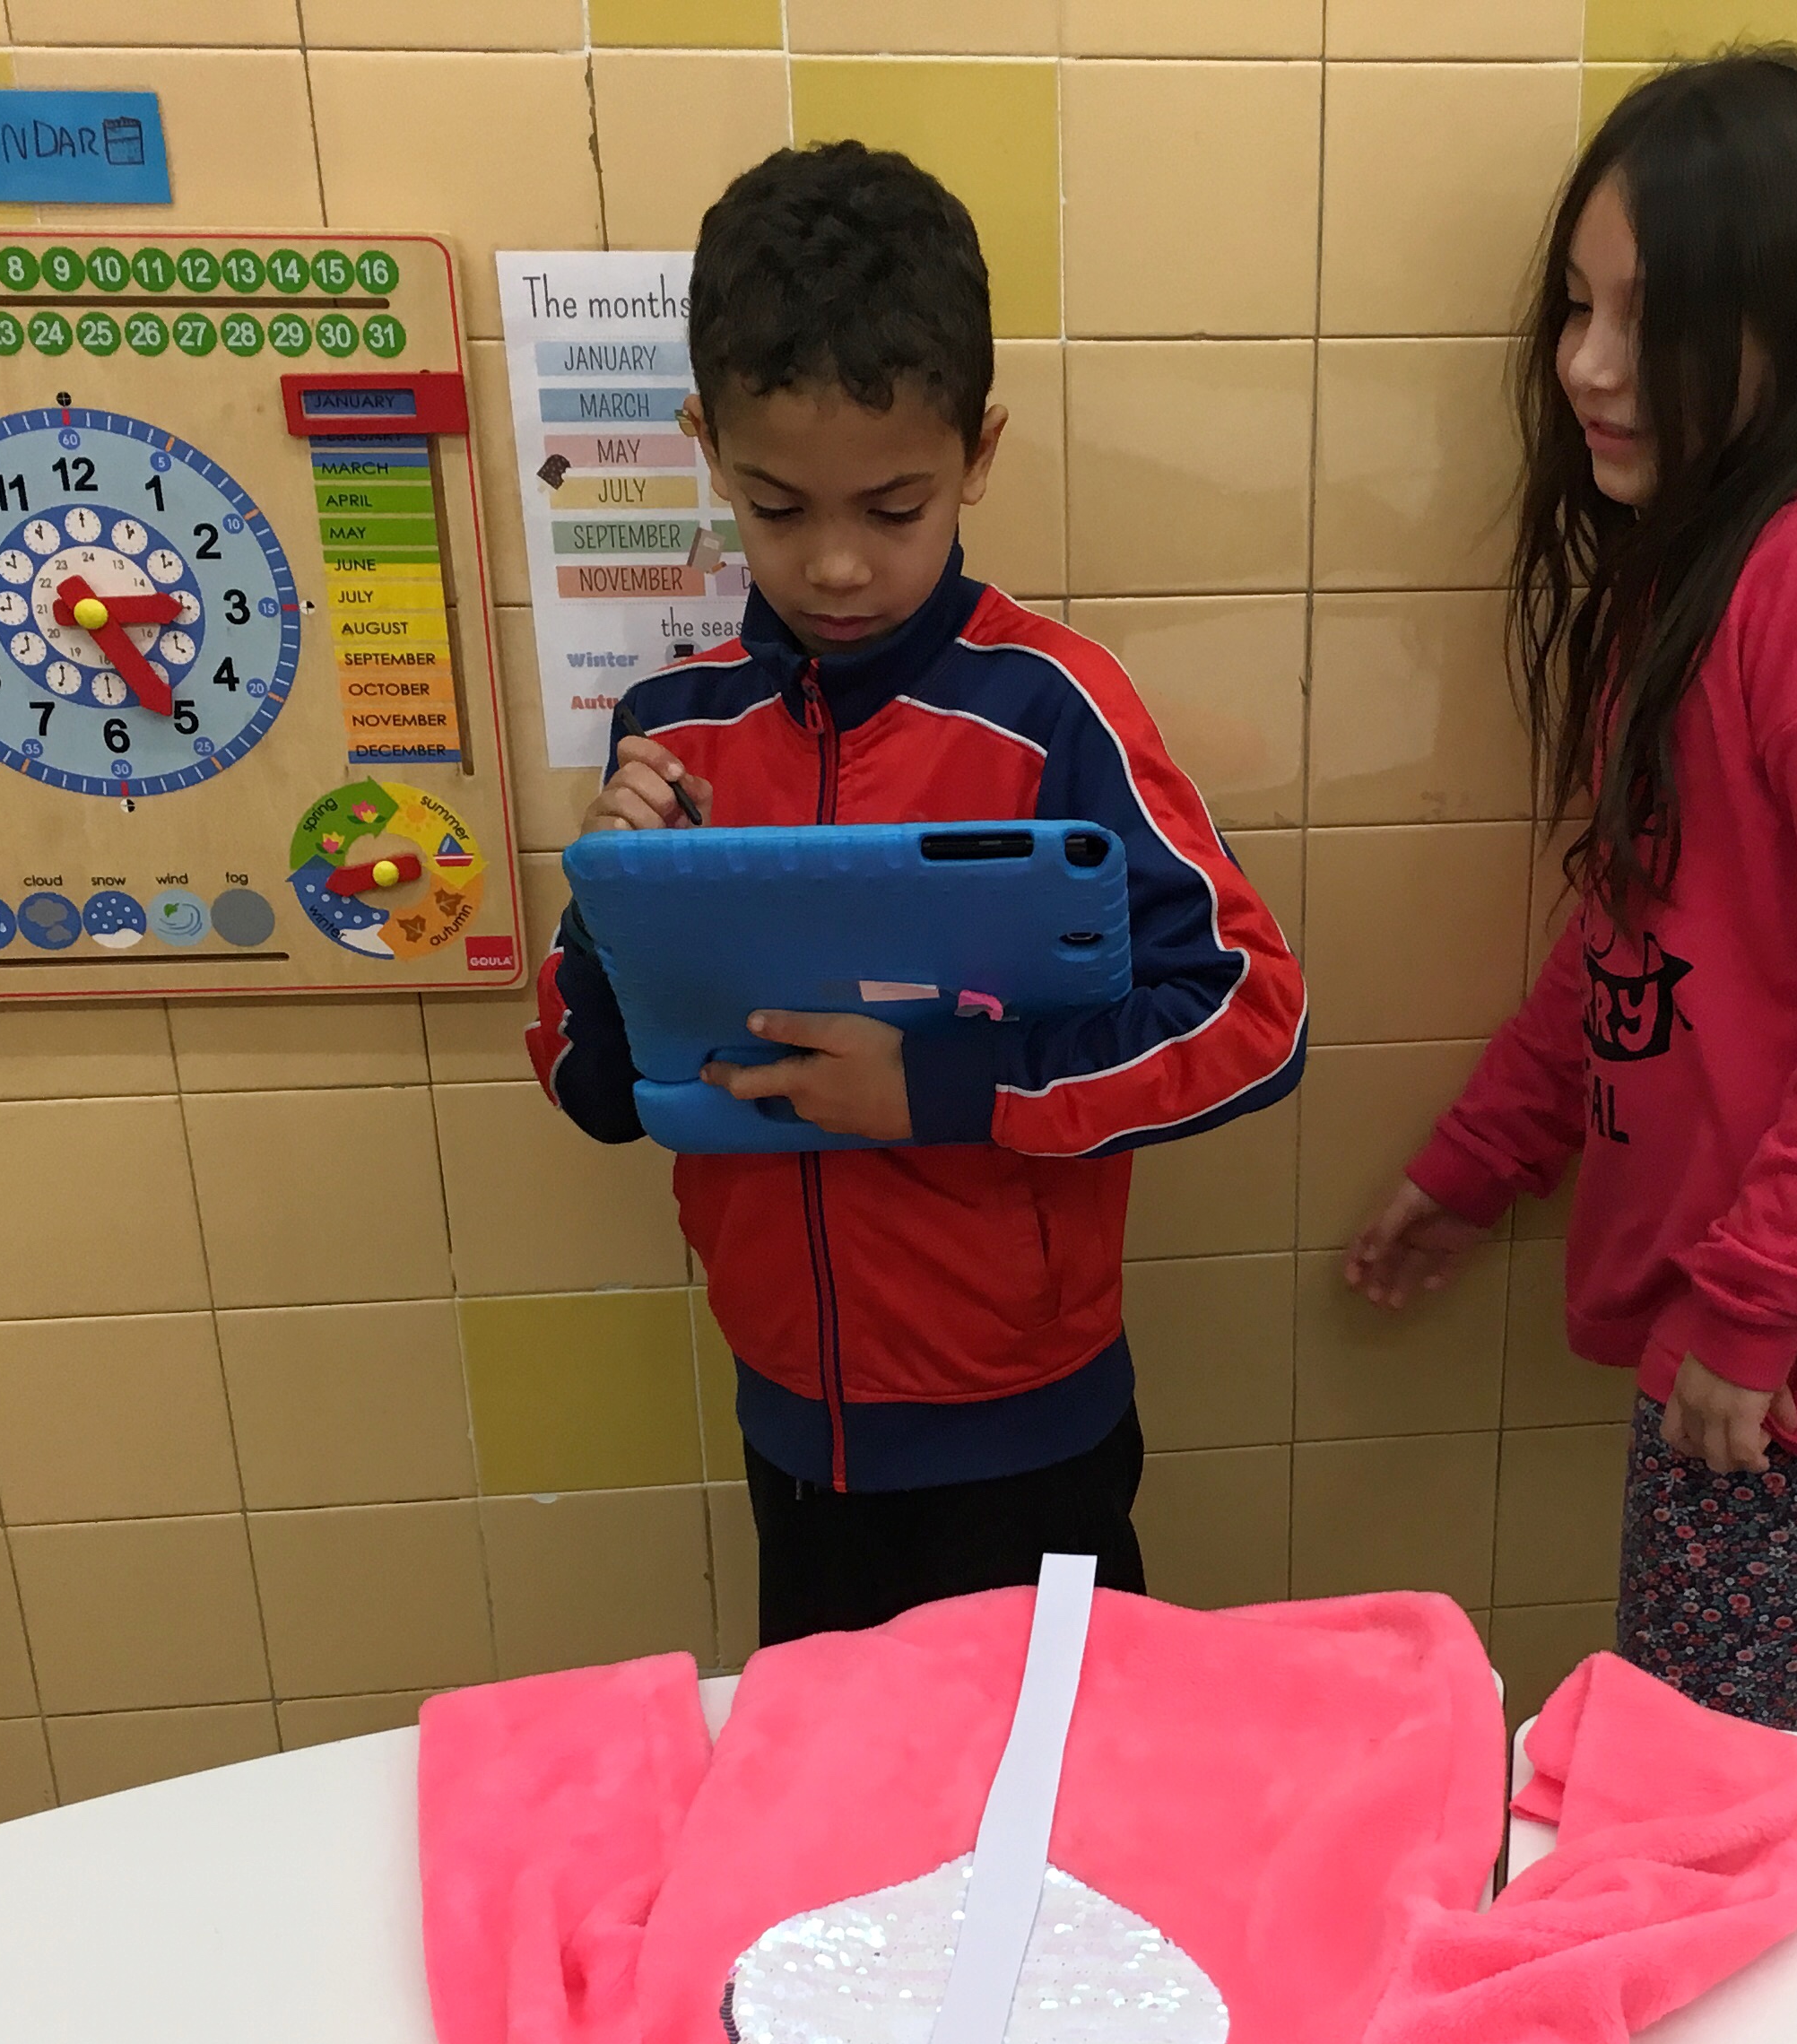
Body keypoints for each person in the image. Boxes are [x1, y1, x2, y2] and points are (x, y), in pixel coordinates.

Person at [1344, 48, 1797, 1745]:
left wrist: (1755, 1310)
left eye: (1652, 319)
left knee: (1684, 1768)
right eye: (1578, 306)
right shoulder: (1723, 563)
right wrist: (1482, 1158)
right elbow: (1638, 927)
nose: (1590, 366)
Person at [540, 143, 1306, 1647]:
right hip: (791, 1425)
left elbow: (1250, 1016)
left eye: (895, 507)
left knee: (1051, 1776)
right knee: (835, 1783)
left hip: (1027, 1430)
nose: (836, 565)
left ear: (980, 451)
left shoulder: (1053, 710)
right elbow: (596, 1092)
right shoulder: (674, 726)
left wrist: (944, 1088)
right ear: (708, 449)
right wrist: (610, 898)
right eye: (778, 508)